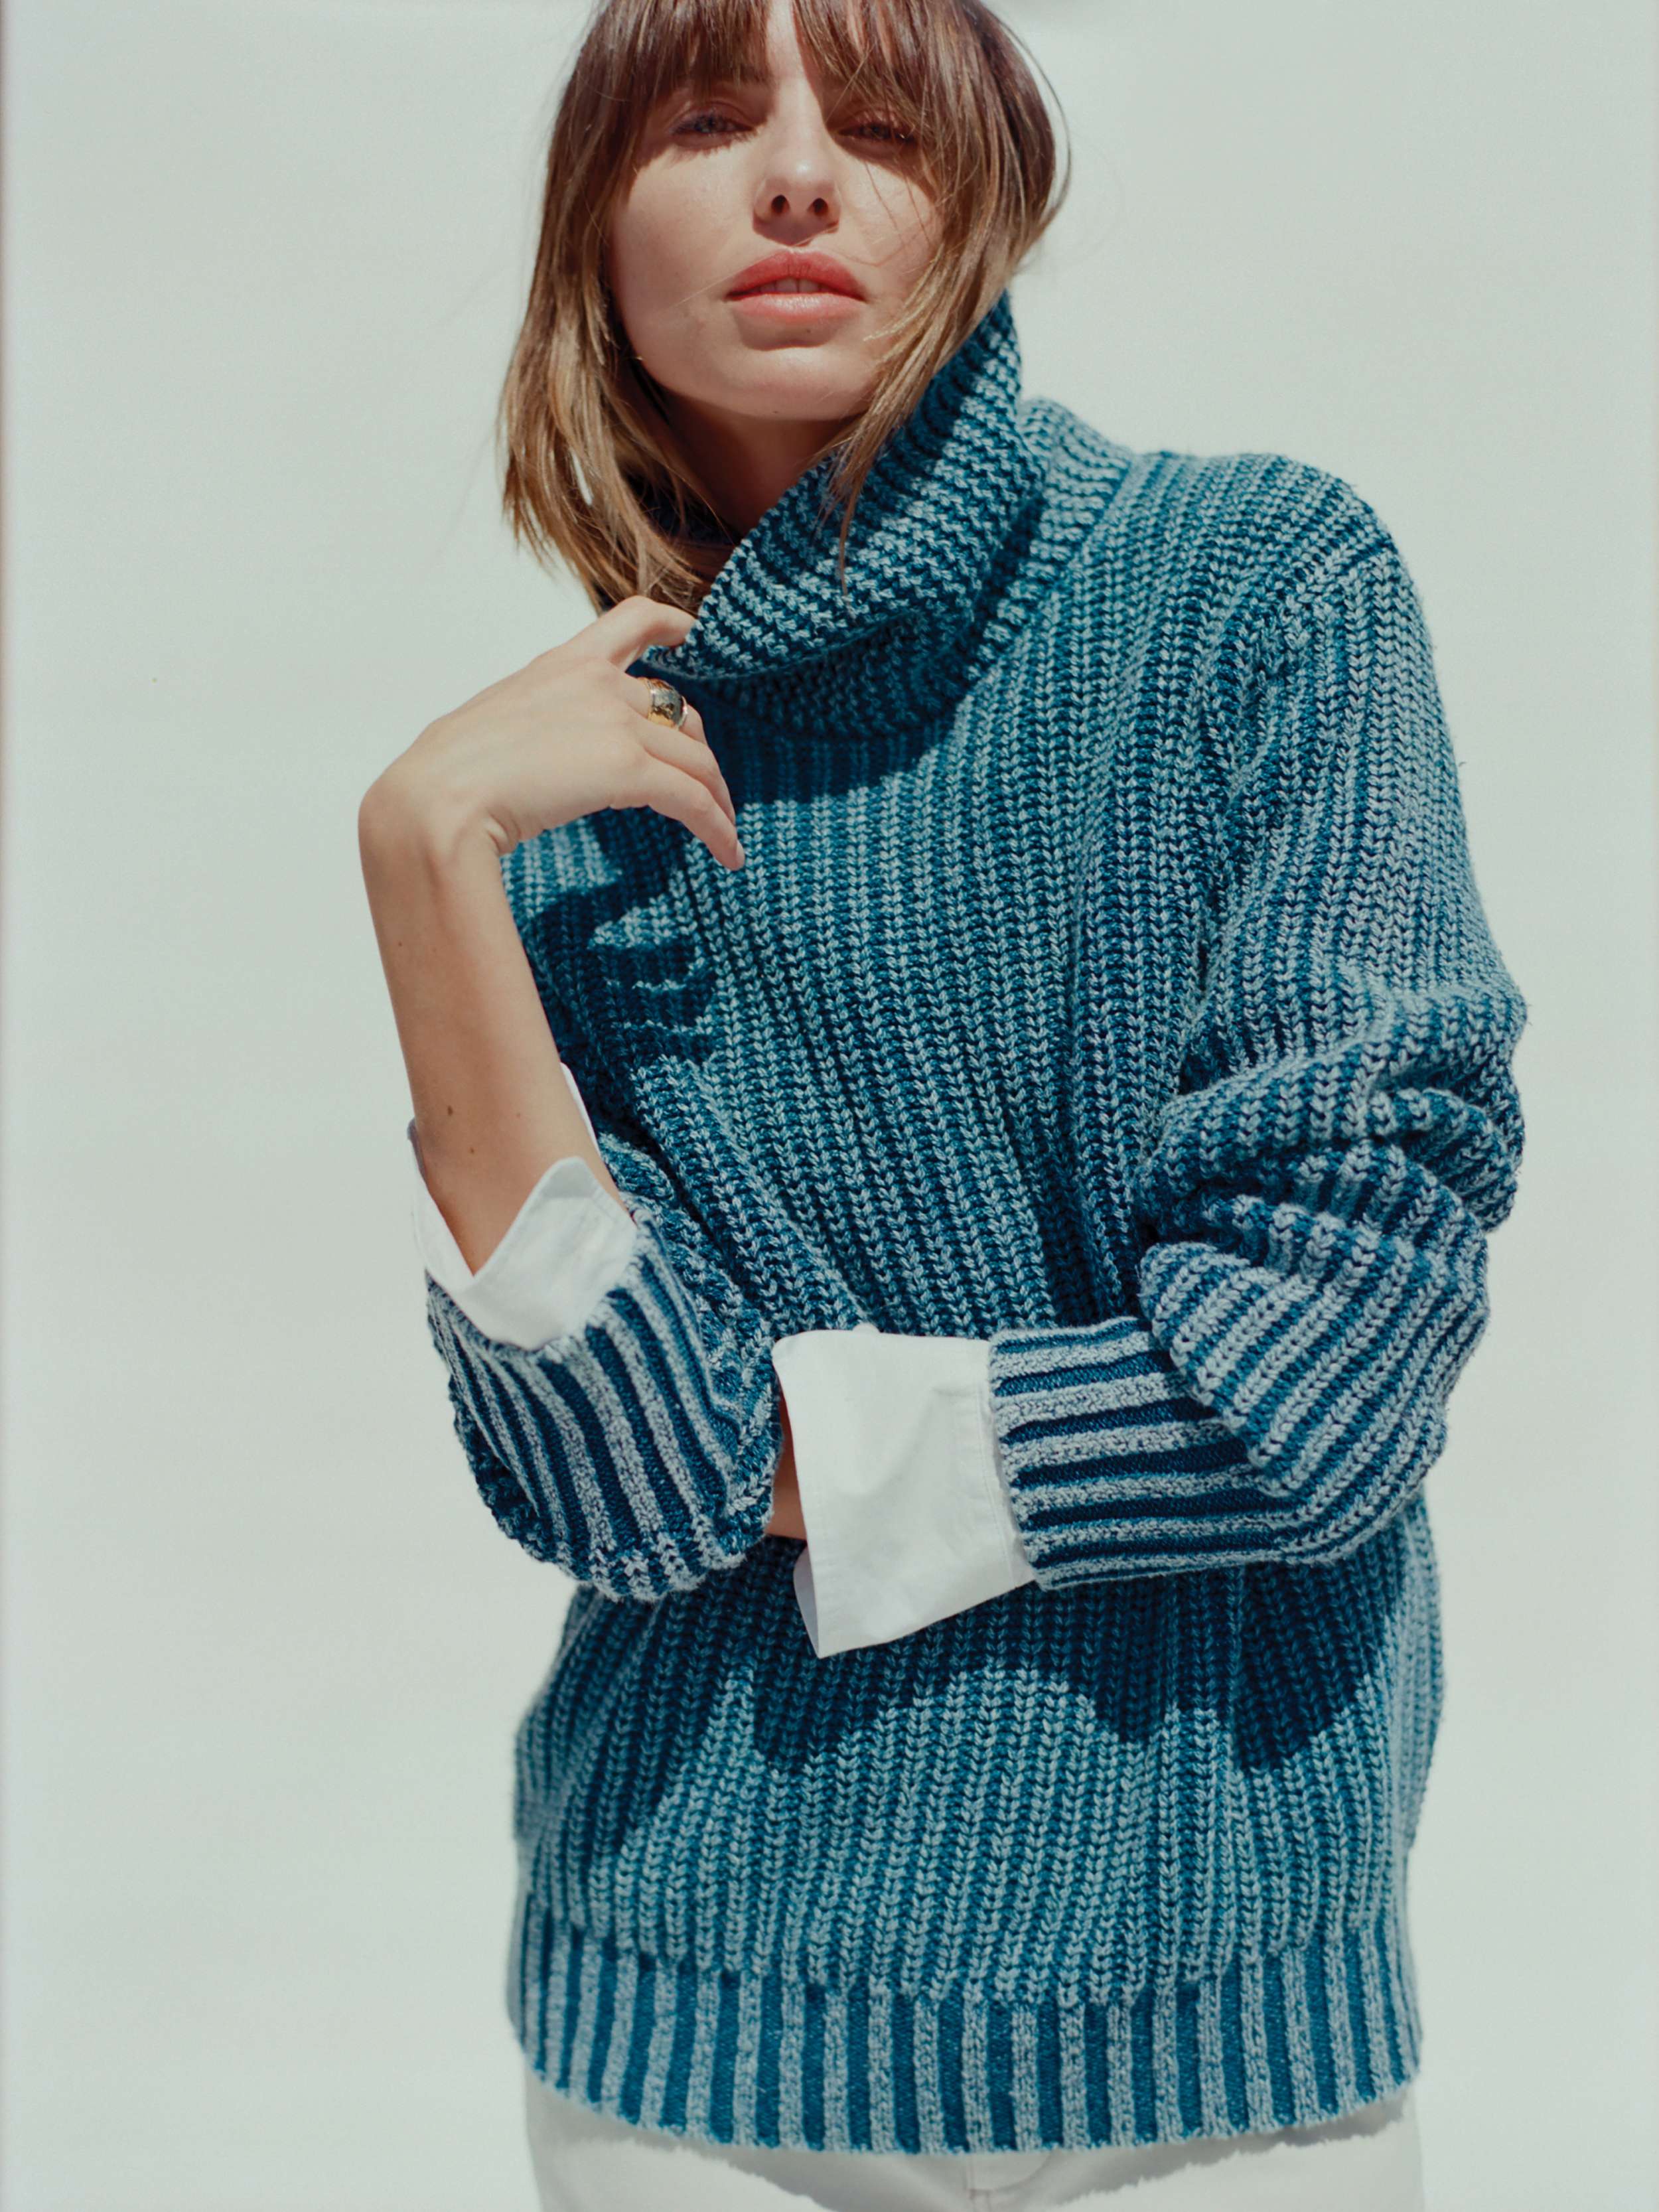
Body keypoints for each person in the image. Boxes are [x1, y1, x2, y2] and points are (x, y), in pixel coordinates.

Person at [356, 1, 1529, 2205]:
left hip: (1221, 2047)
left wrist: (777, 1445)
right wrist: (422, 864)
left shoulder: (1256, 599)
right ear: (593, 237)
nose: (797, 175)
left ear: (980, 205)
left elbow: (1326, 1379)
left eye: (878, 126)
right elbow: (618, 1495)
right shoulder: (552, 806)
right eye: (709, 120)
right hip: (679, 2046)